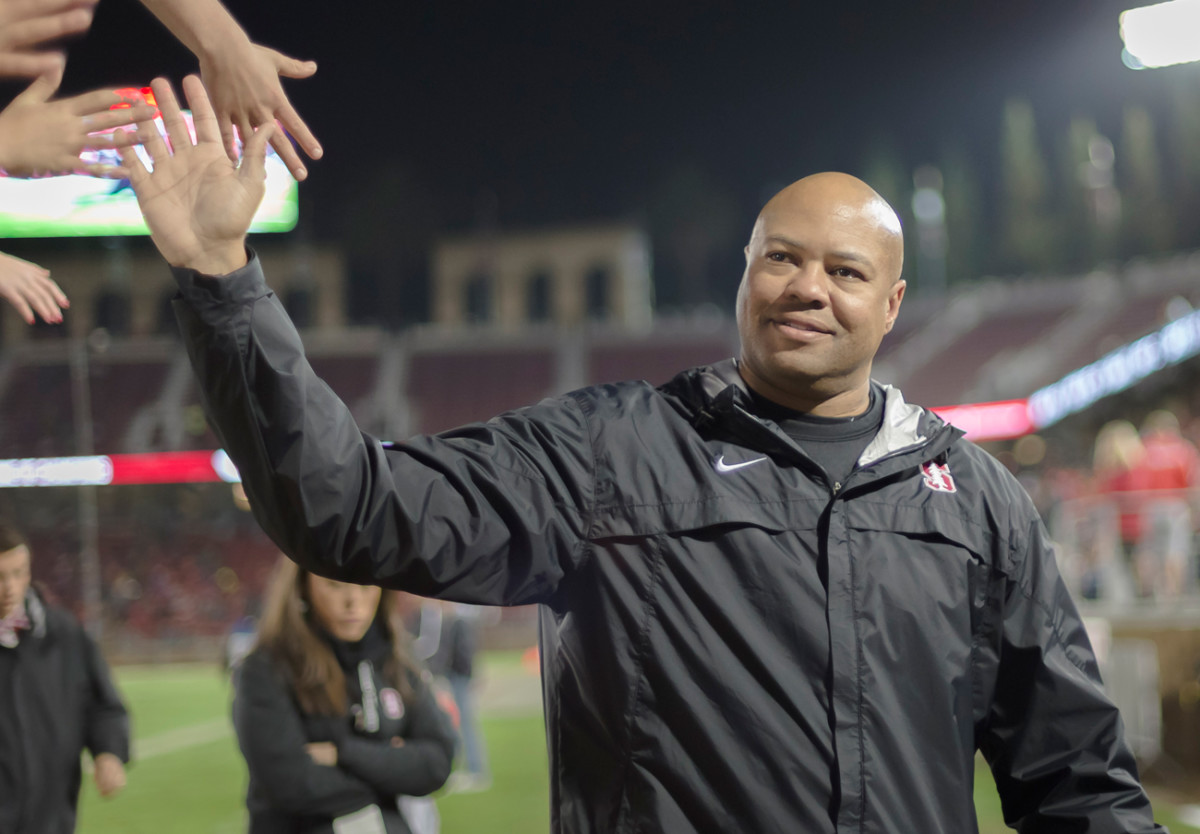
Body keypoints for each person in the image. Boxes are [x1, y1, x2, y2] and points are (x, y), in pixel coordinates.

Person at [125, 75, 1166, 833]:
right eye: (782, 260)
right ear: (743, 278)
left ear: (891, 305)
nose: (808, 287)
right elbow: (348, 508)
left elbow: (1072, 777)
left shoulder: (973, 501)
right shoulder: (610, 453)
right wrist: (223, 282)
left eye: (845, 270)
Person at [232, 555, 456, 834]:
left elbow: (437, 764)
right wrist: (392, 769)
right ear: (302, 588)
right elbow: (291, 784)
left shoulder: (397, 659)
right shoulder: (267, 668)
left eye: (366, 586)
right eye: (335, 585)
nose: (353, 601)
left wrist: (342, 753)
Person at [0, 521, 130, 834]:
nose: (11, 588)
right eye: (0, 576)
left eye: (19, 572)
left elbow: (103, 705)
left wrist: (108, 752)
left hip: (53, 822)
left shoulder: (64, 634)